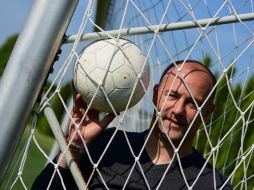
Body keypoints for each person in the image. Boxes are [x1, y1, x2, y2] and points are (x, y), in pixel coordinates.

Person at [32, 60, 232, 190]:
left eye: (193, 103)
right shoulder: (109, 144)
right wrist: (74, 148)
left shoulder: (212, 185)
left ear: (206, 113)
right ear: (155, 95)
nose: (178, 109)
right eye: (172, 95)